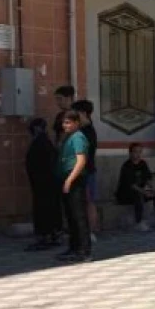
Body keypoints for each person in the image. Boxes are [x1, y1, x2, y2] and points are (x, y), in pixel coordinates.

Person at [57, 110, 92, 262]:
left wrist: (70, 180)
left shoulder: (78, 137)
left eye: (68, 122)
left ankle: (84, 250)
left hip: (75, 179)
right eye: (64, 122)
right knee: (71, 216)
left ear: (76, 123)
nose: (65, 125)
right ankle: (74, 247)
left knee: (79, 216)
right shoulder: (68, 137)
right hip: (67, 177)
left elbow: (81, 161)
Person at [25, 118, 62, 250]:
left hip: (44, 183)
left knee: (44, 209)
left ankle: (46, 235)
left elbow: (43, 163)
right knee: (49, 208)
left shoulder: (42, 143)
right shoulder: (45, 142)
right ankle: (51, 234)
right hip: (45, 183)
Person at [115, 143, 155, 231]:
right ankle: (139, 222)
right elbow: (131, 185)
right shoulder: (126, 166)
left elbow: (148, 179)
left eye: (139, 152)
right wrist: (144, 192)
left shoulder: (143, 163)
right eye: (135, 152)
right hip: (126, 193)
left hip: (140, 190)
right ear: (130, 153)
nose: (138, 154)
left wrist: (153, 189)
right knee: (137, 195)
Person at [72, 100, 100, 240]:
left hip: (86, 171)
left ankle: (90, 232)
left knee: (88, 202)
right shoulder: (84, 130)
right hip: (86, 171)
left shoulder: (87, 132)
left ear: (83, 113)